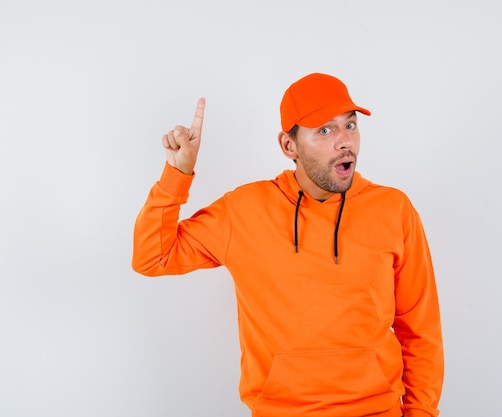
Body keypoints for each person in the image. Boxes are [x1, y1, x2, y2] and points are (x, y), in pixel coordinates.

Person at [132, 73, 444, 417]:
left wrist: (421, 414)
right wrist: (176, 174)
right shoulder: (244, 210)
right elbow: (152, 256)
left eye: (350, 126)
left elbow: (420, 331)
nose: (345, 142)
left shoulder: (393, 209)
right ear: (288, 145)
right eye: (324, 130)